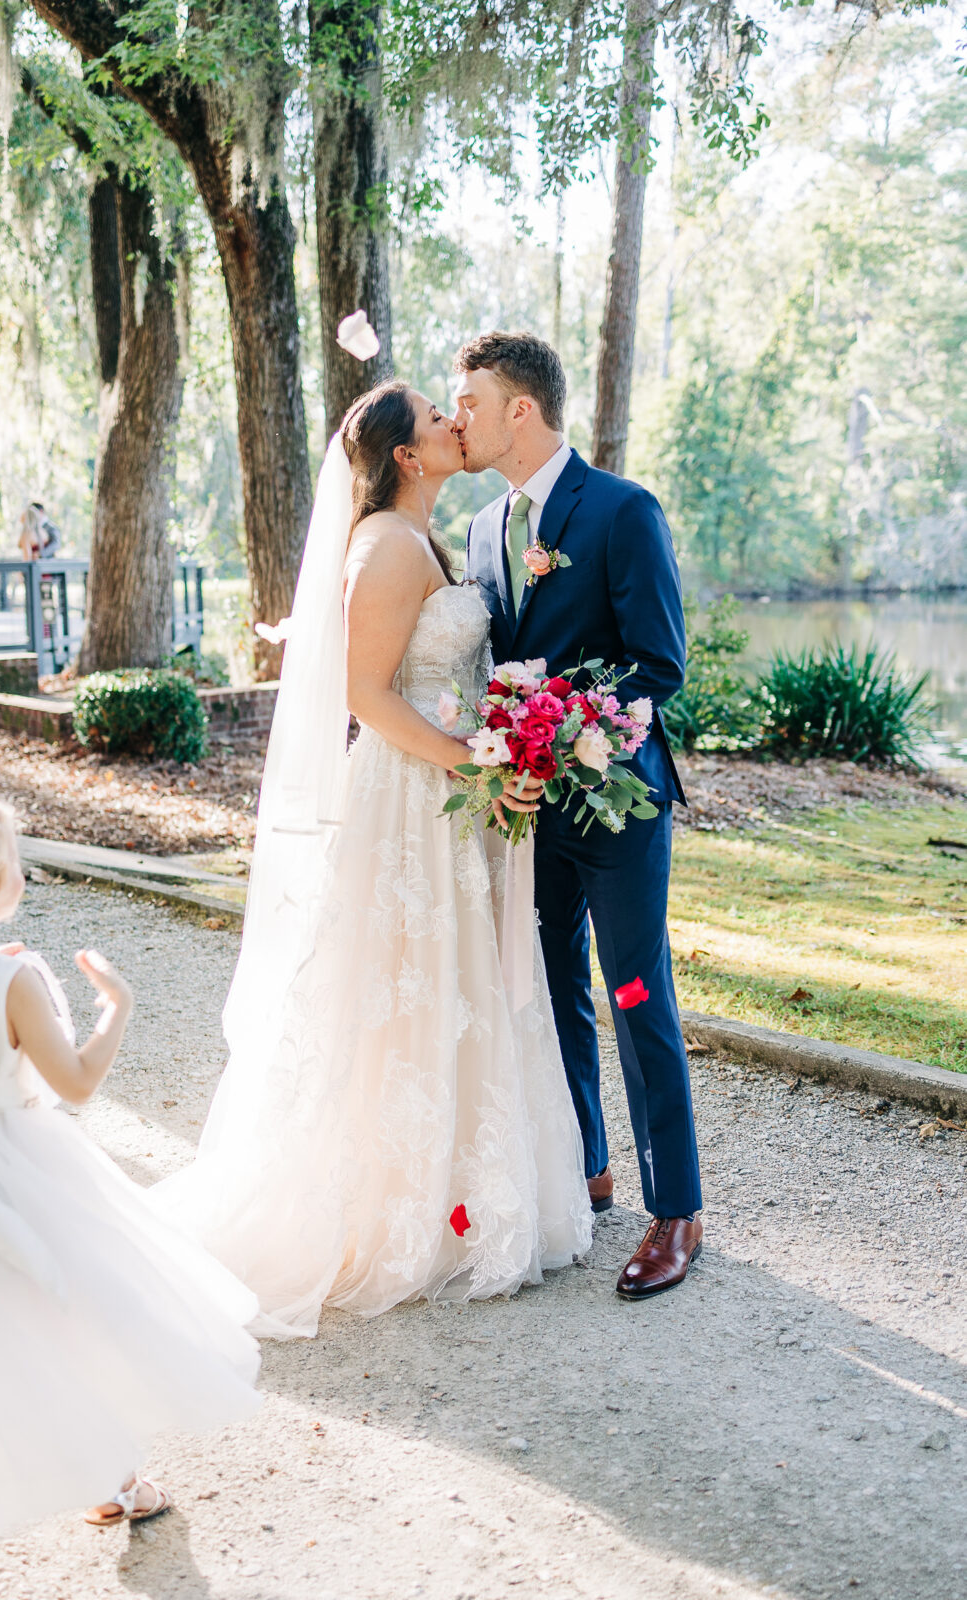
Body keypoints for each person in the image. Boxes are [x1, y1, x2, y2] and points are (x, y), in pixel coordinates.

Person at [154, 380, 592, 1335]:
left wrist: (502, 746)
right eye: (439, 417)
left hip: (447, 796)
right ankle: (398, 1211)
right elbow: (367, 698)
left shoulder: (426, 538)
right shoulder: (388, 547)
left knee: (446, 988)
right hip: (412, 799)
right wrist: (477, 757)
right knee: (407, 989)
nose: (454, 422)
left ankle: (450, 1193)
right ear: (405, 455)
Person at [0, 789, 262, 1600]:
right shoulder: (11, 978)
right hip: (11, 1171)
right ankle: (114, 1479)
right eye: (17, 860)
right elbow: (77, 1082)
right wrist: (115, 1008)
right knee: (64, 1313)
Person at [455, 331, 703, 1299]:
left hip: (616, 800)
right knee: (551, 988)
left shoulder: (620, 511)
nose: (458, 414)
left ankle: (675, 1208)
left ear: (521, 408)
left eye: (469, 398)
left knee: (636, 993)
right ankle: (585, 1168)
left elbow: (659, 664)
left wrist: (562, 734)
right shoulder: (482, 530)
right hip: (528, 813)